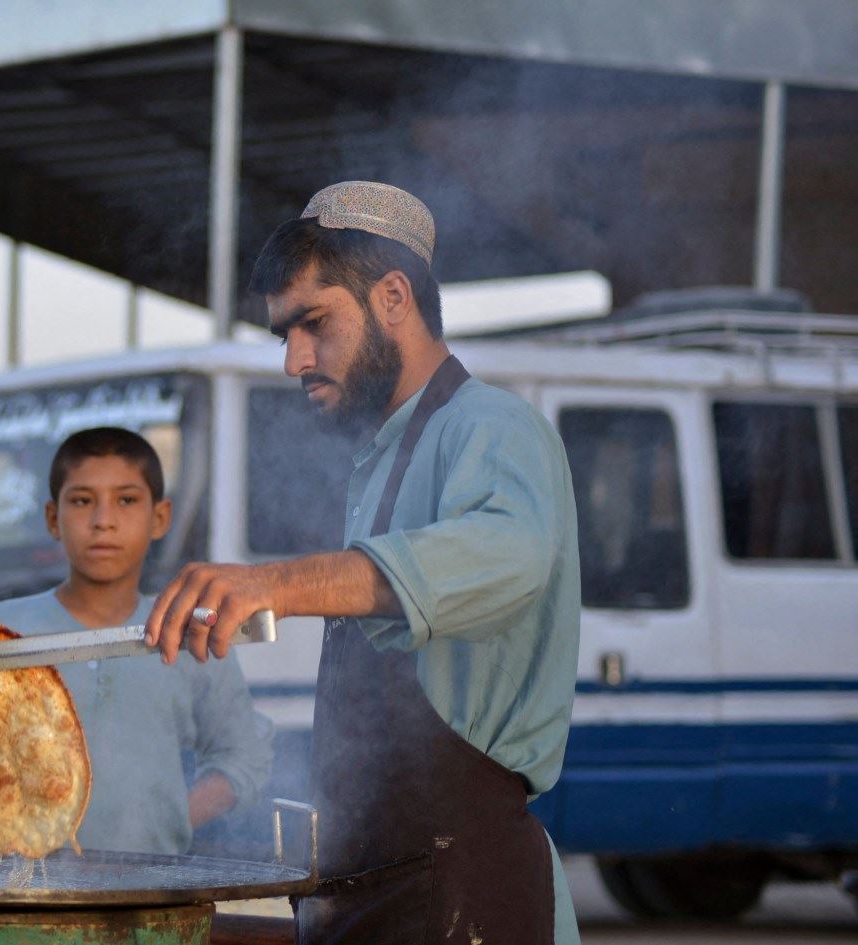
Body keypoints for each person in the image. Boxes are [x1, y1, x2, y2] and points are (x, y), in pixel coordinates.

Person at [144, 182, 581, 944]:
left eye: (313, 323)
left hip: (468, 894)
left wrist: (277, 582)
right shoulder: (376, 460)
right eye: (284, 334)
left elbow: (509, 556)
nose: (294, 360)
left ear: (393, 297)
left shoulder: (494, 426)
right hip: (378, 888)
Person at [0, 426, 273, 855]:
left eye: (126, 500)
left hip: (152, 886)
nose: (103, 520)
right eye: (82, 501)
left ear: (160, 518)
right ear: (52, 518)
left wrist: (170, 818)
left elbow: (244, 757)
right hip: (17, 884)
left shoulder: (190, 636)